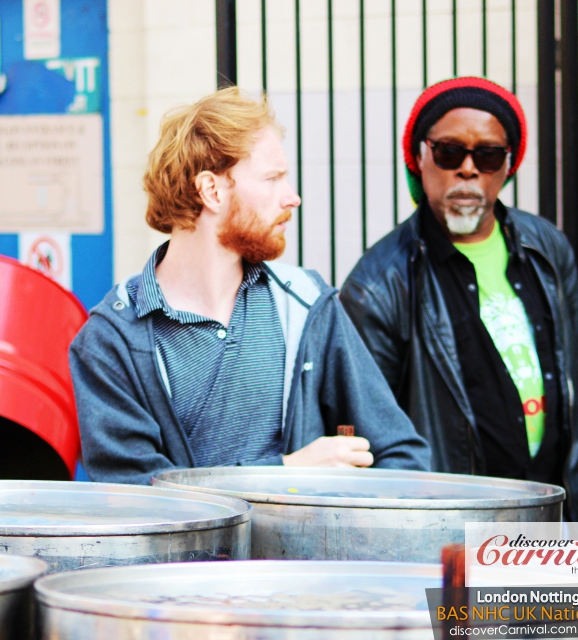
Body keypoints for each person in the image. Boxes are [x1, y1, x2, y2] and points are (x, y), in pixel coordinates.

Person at [70, 87, 430, 484]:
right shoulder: (111, 340)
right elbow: (138, 499)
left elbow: (403, 457)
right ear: (211, 191)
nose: (292, 197)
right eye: (273, 178)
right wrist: (288, 473)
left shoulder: (307, 304)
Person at [340, 77, 578, 520]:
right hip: (453, 529)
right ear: (419, 157)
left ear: (508, 166)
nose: (467, 169)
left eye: (487, 155)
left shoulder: (546, 247)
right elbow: (372, 443)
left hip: (555, 517)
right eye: (450, 152)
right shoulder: (379, 284)